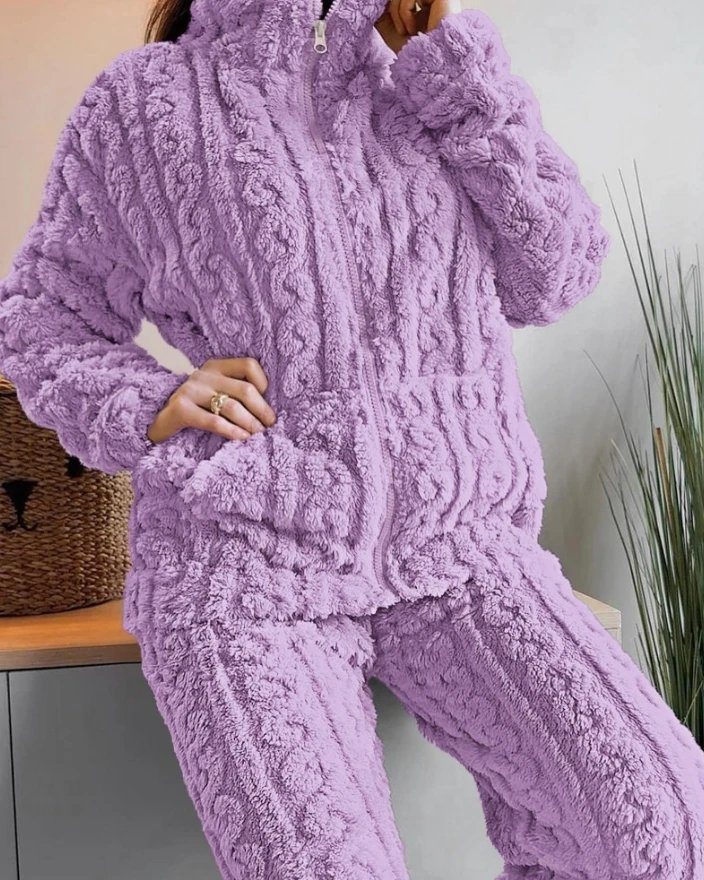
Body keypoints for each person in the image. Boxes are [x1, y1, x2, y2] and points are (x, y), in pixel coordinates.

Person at [1, 0, 703, 877]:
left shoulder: (430, 82)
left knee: (666, 820)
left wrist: (450, 64)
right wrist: (154, 399)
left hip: (459, 542)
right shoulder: (144, 105)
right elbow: (42, 317)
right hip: (249, 562)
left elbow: (557, 272)